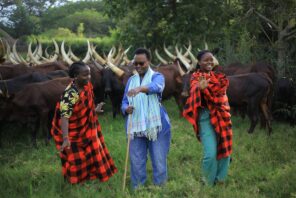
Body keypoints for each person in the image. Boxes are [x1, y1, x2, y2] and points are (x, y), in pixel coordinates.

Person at [51, 61, 117, 184]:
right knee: (77, 160)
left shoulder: (87, 86)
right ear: (76, 76)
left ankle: (89, 180)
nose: (89, 77)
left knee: (91, 154)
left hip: (87, 128)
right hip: (71, 132)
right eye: (85, 75)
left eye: (89, 74)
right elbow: (64, 117)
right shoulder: (70, 94)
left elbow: (86, 106)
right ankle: (74, 185)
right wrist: (65, 138)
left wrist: (94, 110)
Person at [121, 48, 171, 189]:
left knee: (159, 158)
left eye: (141, 63)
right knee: (136, 160)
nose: (138, 66)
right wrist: (126, 108)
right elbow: (124, 101)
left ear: (148, 61)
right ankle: (138, 189)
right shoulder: (131, 80)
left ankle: (160, 189)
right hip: (135, 125)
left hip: (156, 125)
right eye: (135, 63)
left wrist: (140, 89)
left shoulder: (157, 76)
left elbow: (157, 87)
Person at [183, 50, 232, 185]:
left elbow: (221, 94)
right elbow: (193, 89)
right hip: (205, 117)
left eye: (211, 59)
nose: (209, 62)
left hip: (222, 115)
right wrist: (200, 87)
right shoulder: (196, 77)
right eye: (205, 60)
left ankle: (220, 180)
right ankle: (208, 182)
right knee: (210, 153)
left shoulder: (220, 77)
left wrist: (208, 88)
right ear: (199, 63)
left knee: (225, 149)